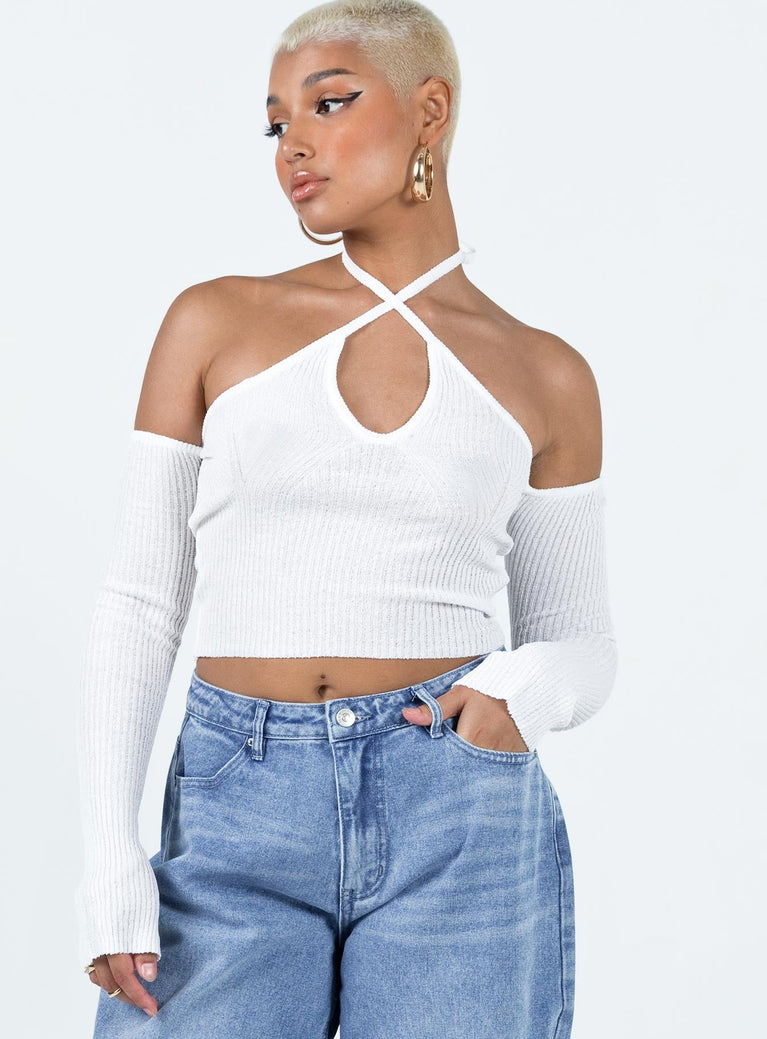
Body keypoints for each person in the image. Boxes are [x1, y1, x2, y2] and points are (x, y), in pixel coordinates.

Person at [76, 1, 618, 1035]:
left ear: (429, 110)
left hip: (456, 808)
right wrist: (110, 864)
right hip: (236, 801)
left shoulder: (545, 373)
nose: (293, 144)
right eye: (276, 121)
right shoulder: (215, 321)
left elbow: (583, 641)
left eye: (327, 103)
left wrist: (513, 696)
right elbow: (140, 601)